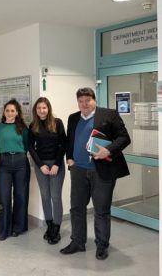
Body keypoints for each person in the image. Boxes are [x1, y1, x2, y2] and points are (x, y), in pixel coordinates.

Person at [60, 87, 130, 260]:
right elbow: (70, 140)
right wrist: (69, 158)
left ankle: (102, 245)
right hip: (78, 171)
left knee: (101, 211)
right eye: (81, 101)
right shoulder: (73, 117)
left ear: (94, 100)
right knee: (76, 208)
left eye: (87, 100)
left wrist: (108, 150)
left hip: (102, 172)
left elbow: (124, 138)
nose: (84, 104)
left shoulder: (109, 115)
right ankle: (77, 242)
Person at [29, 97, 66, 245]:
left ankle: (56, 228)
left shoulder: (57, 123)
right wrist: (40, 165)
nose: (41, 111)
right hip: (41, 166)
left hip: (57, 165)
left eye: (44, 108)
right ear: (35, 110)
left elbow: (63, 143)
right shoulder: (33, 125)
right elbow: (31, 148)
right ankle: (49, 225)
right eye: (38, 108)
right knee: (45, 195)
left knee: (56, 196)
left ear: (48, 108)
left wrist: (57, 164)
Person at [0, 99, 30, 241]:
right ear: (4, 112)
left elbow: (26, 146)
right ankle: (4, 230)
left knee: (20, 195)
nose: (9, 113)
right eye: (7, 110)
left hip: (21, 162)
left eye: (12, 110)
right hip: (4, 163)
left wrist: (18, 153)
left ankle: (18, 227)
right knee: (4, 197)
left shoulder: (23, 128)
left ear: (17, 112)